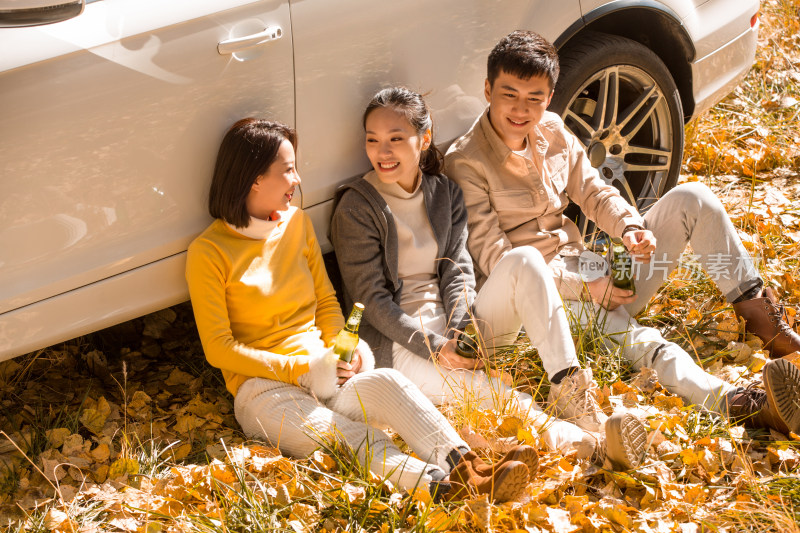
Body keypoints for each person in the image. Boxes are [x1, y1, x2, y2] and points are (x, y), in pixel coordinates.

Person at [444, 30, 800, 435]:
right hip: (540, 304)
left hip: (592, 266)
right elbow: (493, 257)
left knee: (694, 197)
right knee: (645, 341)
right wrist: (585, 286)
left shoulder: (554, 130)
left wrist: (631, 227)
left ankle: (764, 321)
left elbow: (594, 192)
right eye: (509, 94)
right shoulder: (466, 162)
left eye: (535, 98)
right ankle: (737, 403)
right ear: (488, 89)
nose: (521, 110)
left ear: (551, 94)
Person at [185, 118, 533, 503]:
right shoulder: (209, 252)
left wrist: (343, 348)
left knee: (390, 382)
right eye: (287, 170)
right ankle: (440, 487)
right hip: (264, 390)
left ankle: (470, 470)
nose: (298, 179)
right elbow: (219, 348)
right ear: (253, 179)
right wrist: (299, 371)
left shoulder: (296, 224)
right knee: (354, 436)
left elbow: (327, 301)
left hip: (327, 375)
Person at [330, 87, 649, 471]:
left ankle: (570, 389)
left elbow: (458, 269)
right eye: (373, 140)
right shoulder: (356, 208)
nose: (383, 152)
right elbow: (373, 302)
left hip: (454, 329)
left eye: (396, 139)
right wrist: (436, 346)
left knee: (526, 259)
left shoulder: (443, 192)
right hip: (402, 346)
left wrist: (464, 330)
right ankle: (588, 446)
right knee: (490, 390)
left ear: (424, 139)